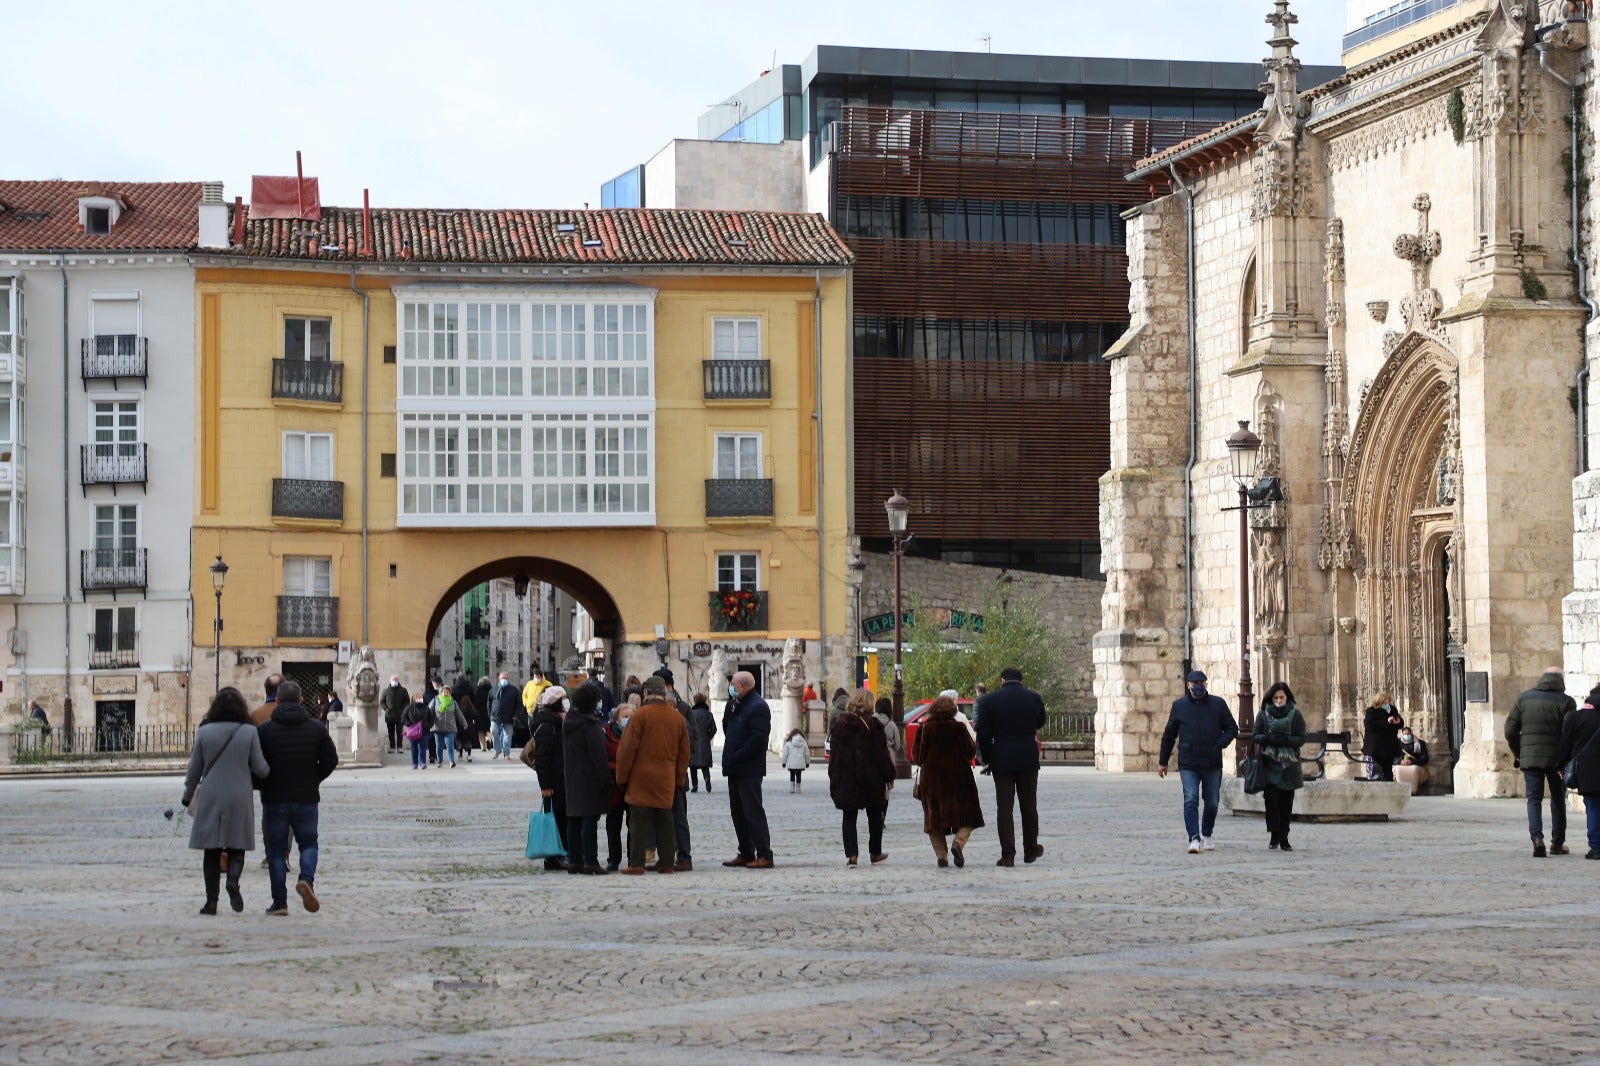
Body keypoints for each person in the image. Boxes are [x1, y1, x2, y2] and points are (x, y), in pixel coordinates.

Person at [253, 680, 339, 916]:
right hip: (306, 797)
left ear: (277, 702)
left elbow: (255, 764)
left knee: (277, 851)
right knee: (309, 843)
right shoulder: (316, 728)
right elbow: (331, 760)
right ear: (301, 700)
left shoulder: (265, 730)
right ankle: (307, 881)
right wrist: (314, 778)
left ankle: (279, 902)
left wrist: (263, 784)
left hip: (275, 797)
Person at [181, 687, 269, 915]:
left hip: (211, 793)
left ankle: (211, 902)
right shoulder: (249, 732)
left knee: (211, 849)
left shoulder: (205, 732)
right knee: (236, 844)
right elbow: (261, 768)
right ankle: (232, 880)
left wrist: (187, 795)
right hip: (240, 793)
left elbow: (194, 769)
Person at [1158, 669, 1240, 854]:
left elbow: (1232, 728)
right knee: (1191, 799)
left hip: (1211, 762)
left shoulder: (1218, 704)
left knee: (1212, 802)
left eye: (1201, 684)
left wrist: (1219, 744)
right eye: (1194, 684)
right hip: (1189, 762)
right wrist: (1163, 761)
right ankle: (1194, 838)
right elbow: (1169, 735)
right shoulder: (1179, 706)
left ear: (1206, 685)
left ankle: (1207, 833)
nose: (1198, 687)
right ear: (1188, 685)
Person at [615, 675, 690, 874]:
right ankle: (666, 863)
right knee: (666, 820)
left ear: (646, 693)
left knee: (638, 821)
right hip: (666, 777)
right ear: (664, 694)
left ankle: (636, 864)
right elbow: (684, 753)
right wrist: (679, 778)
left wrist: (622, 777)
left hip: (641, 777)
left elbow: (626, 750)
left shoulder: (639, 716)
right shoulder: (677, 718)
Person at [974, 666, 1047, 867]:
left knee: (1004, 808)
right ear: (1021, 680)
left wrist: (989, 757)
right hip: (1027, 757)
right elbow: (1040, 721)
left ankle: (1008, 854)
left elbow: (983, 732)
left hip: (1002, 758)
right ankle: (1030, 849)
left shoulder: (988, 701)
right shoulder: (1033, 698)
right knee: (1029, 806)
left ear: (1002, 680)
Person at [1506, 664, 1575, 858]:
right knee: (1558, 799)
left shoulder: (1524, 698)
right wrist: (1565, 758)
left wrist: (1519, 752)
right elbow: (1569, 733)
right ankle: (1557, 842)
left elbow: (1509, 730)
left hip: (1531, 759)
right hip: (1556, 760)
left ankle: (1537, 839)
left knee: (1534, 799)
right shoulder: (1567, 702)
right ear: (1561, 680)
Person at [910, 694, 984, 868]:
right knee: (968, 815)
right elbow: (971, 752)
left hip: (932, 779)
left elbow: (916, 757)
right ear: (952, 710)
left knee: (933, 819)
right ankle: (958, 843)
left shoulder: (924, 728)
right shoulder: (958, 727)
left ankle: (941, 856)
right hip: (958, 778)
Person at [828, 688, 897, 867]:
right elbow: (882, 755)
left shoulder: (840, 724)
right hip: (870, 777)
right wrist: (889, 775)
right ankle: (875, 852)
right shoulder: (874, 725)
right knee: (875, 814)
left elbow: (834, 754)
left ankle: (852, 856)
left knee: (848, 815)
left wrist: (833, 775)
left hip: (847, 777)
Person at [721, 670, 774, 868]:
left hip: (749, 768)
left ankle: (764, 854)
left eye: (733, 684)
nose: (731, 687)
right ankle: (745, 852)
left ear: (742, 686)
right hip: (734, 767)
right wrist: (730, 708)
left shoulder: (758, 707)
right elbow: (728, 729)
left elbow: (758, 740)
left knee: (753, 812)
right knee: (738, 812)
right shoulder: (736, 704)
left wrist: (737, 756)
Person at [562, 682, 613, 875]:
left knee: (573, 818)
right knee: (589, 819)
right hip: (589, 778)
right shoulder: (590, 726)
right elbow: (599, 756)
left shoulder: (569, 722)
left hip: (572, 776)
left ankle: (574, 860)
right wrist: (606, 780)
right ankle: (590, 860)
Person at [1252, 681, 1306, 851]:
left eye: (1281, 697)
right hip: (1269, 763)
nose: (1278, 700)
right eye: (1275, 697)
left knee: (1286, 803)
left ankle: (1284, 837)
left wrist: (1287, 741)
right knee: (1271, 800)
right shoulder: (1263, 714)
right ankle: (1274, 834)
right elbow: (1256, 735)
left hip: (1288, 765)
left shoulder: (1295, 715)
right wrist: (1268, 739)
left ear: (1287, 697)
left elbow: (1301, 737)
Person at [523, 685, 570, 870]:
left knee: (561, 817)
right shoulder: (547, 726)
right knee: (556, 819)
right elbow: (542, 759)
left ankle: (559, 854)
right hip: (553, 781)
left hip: (559, 778)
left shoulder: (556, 722)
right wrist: (545, 785)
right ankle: (554, 856)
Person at [654, 668, 696, 869]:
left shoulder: (683, 711)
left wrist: (681, 766)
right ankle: (667, 856)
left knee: (678, 816)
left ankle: (684, 856)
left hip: (676, 774)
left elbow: (692, 741)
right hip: (663, 774)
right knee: (664, 817)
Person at [1556, 684, 1600, 860]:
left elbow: (1565, 745)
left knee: (1594, 808)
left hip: (1587, 773)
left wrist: (1560, 766)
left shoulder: (1576, 718)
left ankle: (1596, 847)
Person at [603, 702, 633, 871]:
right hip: (613, 787)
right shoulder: (607, 734)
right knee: (613, 825)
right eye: (625, 716)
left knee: (633, 825)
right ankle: (613, 858)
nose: (628, 720)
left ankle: (632, 858)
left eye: (631, 717)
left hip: (631, 786)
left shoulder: (637, 733)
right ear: (616, 719)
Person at [1361, 693, 1404, 782]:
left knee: (1388, 772)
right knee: (1376, 771)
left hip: (1389, 746)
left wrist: (1398, 722)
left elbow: (1400, 722)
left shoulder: (1392, 710)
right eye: (1384, 702)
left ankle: (1389, 792)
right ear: (1379, 702)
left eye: (1388, 701)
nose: (1387, 703)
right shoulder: (1371, 711)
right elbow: (1369, 725)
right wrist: (1386, 722)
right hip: (1376, 747)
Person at [428, 684, 467, 768]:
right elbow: (428, 711)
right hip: (438, 727)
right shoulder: (435, 700)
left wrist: (464, 723)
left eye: (448, 691)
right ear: (441, 692)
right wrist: (426, 722)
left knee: (450, 745)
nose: (446, 692)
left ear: (450, 693)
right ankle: (439, 761)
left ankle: (451, 761)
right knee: (439, 745)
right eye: (444, 691)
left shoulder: (453, 702)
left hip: (450, 727)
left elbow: (459, 713)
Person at [689, 692, 717, 792]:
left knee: (693, 766)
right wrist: (707, 737)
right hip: (704, 742)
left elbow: (688, 728)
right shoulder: (708, 714)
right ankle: (707, 780)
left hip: (693, 742)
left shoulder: (691, 714)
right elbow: (714, 729)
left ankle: (695, 785)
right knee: (705, 766)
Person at [489, 672, 520, 759]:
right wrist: (490, 713)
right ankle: (497, 750)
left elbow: (518, 703)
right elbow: (489, 702)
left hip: (509, 716)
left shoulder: (514, 690)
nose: (504, 680)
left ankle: (506, 753)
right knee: (493, 731)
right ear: (499, 679)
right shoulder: (494, 689)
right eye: (502, 678)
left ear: (508, 679)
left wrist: (516, 714)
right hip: (495, 716)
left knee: (507, 736)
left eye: (505, 678)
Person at [1393, 724, 1431, 794]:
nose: (1406, 735)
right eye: (1405, 734)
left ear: (1411, 734)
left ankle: (1413, 790)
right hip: (1401, 764)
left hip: (1415, 763)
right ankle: (1402, 790)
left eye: (1408, 734)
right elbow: (1393, 757)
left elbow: (1425, 758)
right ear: (1402, 734)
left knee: (1414, 769)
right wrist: (1400, 761)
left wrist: (1412, 761)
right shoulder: (1397, 743)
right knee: (1398, 769)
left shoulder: (1419, 743)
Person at [402, 693, 433, 770]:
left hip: (424, 731)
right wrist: (409, 724)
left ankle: (422, 762)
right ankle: (414, 763)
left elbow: (431, 718)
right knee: (414, 747)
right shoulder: (409, 707)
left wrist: (429, 725)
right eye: (418, 698)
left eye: (421, 698)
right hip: (413, 731)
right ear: (414, 699)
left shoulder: (426, 708)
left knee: (423, 747)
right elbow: (403, 718)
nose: (420, 699)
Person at [380, 675, 409, 754]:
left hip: (400, 715)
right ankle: (392, 747)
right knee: (391, 732)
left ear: (398, 680)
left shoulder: (403, 690)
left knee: (400, 732)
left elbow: (407, 701)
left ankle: (399, 747)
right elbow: (382, 701)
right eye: (393, 679)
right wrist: (386, 708)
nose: (394, 681)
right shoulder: (386, 691)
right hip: (389, 715)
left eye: (396, 679)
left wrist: (403, 709)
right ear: (390, 681)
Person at [782, 728, 811, 793]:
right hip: (800, 763)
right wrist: (807, 762)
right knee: (798, 775)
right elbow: (807, 754)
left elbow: (785, 754)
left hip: (791, 764)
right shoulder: (804, 744)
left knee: (792, 775)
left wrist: (784, 762)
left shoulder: (788, 744)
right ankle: (798, 788)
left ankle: (792, 788)